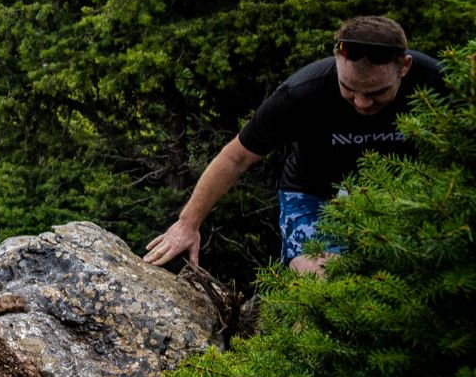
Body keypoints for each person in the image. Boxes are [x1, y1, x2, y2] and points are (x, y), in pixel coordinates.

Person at [145, 16, 445, 275]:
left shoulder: (439, 82)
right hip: (314, 193)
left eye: (377, 92)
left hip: (406, 196)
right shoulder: (302, 92)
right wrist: (187, 224)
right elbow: (236, 157)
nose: (362, 103)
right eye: (349, 89)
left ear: (404, 67)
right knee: (320, 275)